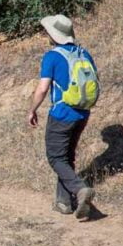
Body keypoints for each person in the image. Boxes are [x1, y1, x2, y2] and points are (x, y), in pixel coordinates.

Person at [28, 14, 98, 219]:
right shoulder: (84, 53)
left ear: (52, 34)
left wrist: (32, 109)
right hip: (83, 112)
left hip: (62, 113)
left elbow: (42, 89)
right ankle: (64, 203)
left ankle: (79, 189)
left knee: (56, 157)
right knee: (67, 157)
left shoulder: (52, 56)